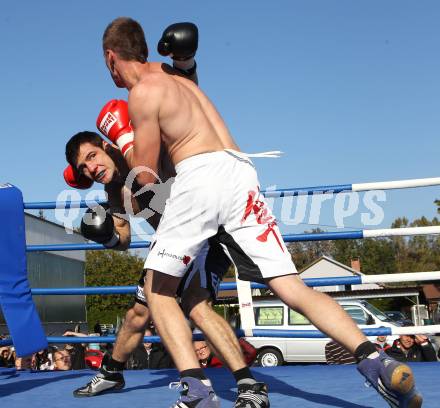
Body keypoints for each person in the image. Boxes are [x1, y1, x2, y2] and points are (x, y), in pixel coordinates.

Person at [98, 16, 422, 407]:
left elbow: (147, 177)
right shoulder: (175, 76)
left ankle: (197, 391)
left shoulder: (143, 93)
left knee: (159, 289)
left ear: (111, 57)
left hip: (199, 176)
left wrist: (120, 177)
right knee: (289, 286)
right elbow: (187, 90)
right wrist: (187, 61)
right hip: (241, 171)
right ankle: (375, 361)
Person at [65, 22, 268, 407]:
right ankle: (111, 372)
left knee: (194, 304)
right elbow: (123, 239)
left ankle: (246, 384)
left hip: (205, 228)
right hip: (174, 242)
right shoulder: (111, 190)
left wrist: (187, 64)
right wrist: (106, 234)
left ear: (107, 143)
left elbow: (185, 96)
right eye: (85, 167)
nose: (92, 167)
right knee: (138, 312)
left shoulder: (147, 143)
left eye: (92, 156)